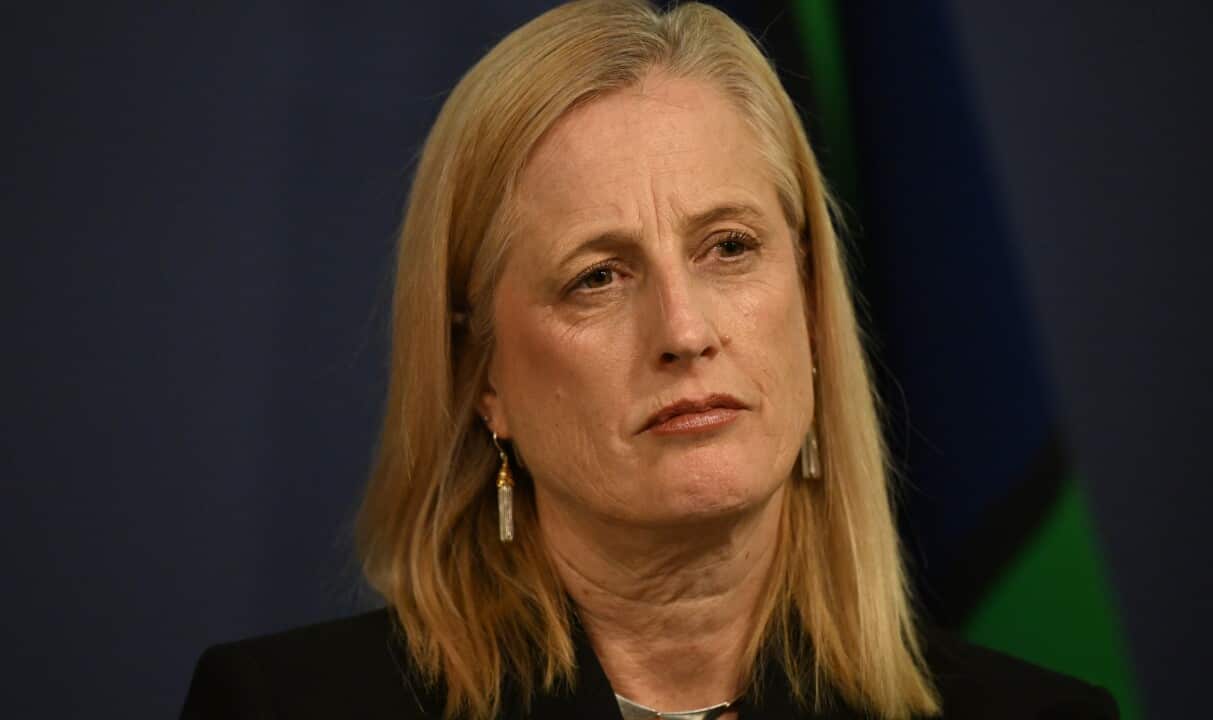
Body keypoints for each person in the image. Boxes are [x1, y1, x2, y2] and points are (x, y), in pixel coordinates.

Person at [181, 1, 1118, 718]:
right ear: (483, 380)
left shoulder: (1041, 717)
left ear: (814, 312)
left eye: (729, 248)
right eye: (597, 277)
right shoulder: (279, 707)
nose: (683, 330)